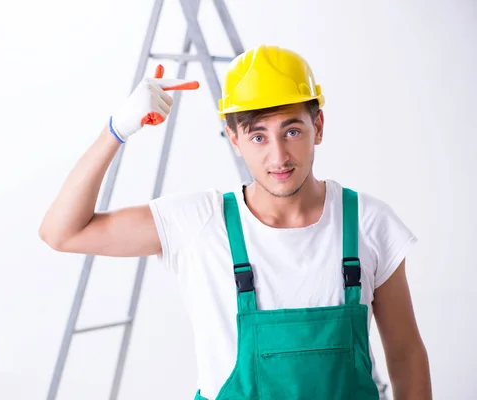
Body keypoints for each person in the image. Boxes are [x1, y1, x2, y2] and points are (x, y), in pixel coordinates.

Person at [38, 45, 432, 399]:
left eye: (292, 130)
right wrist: (116, 130)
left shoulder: (368, 222)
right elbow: (62, 232)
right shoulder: (199, 223)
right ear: (233, 137)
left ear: (319, 127)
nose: (278, 156)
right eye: (258, 136)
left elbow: (405, 355)